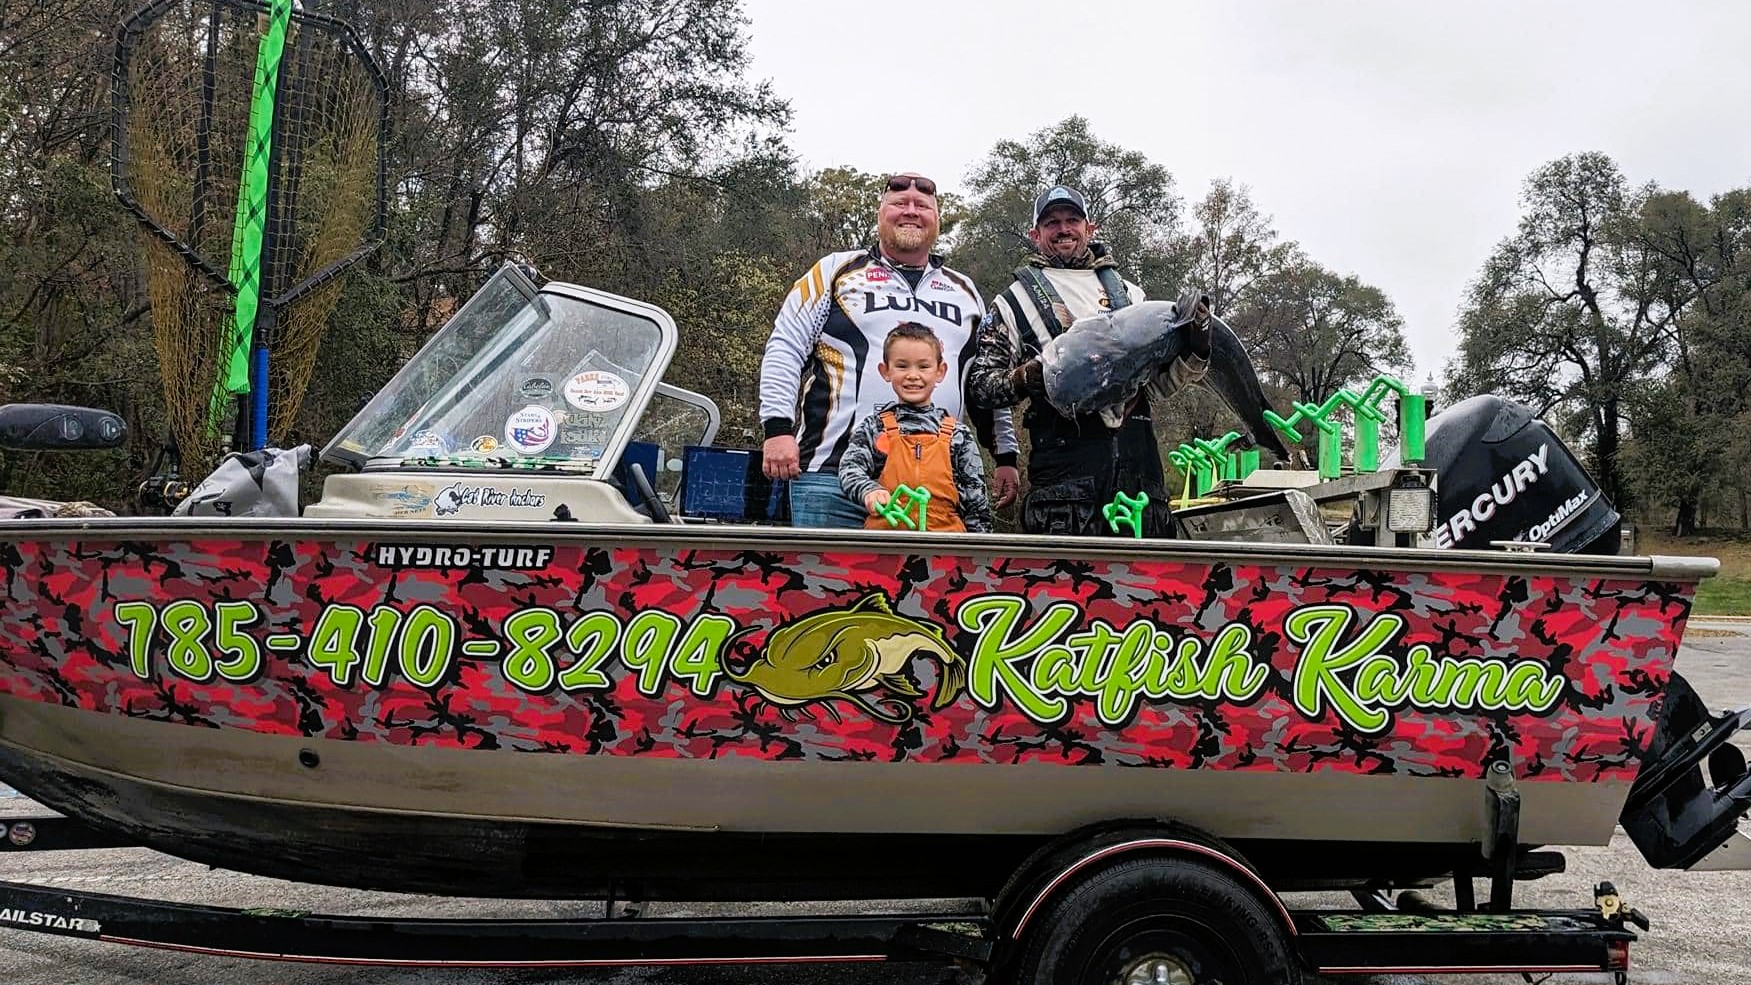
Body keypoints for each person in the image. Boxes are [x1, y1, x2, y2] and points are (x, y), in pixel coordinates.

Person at [759, 172, 1020, 528]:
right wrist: (777, 429)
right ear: (881, 213)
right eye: (899, 203)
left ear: (937, 220)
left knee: (928, 585)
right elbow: (786, 347)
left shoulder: (966, 290)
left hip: (933, 487)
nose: (911, 211)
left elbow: (983, 378)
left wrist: (1005, 454)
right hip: (831, 477)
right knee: (829, 584)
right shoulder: (835, 270)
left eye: (922, 206)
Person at [968, 184, 1210, 538]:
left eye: (1072, 220)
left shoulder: (1132, 296)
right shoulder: (1011, 303)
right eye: (1051, 223)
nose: (1063, 229)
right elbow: (980, 387)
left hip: (1140, 481)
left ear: (1089, 228)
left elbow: (1156, 386)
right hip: (1063, 488)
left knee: (1150, 589)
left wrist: (1197, 347)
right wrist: (1028, 377)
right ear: (1036, 234)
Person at [838, 323, 994, 534]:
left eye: (923, 366)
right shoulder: (874, 427)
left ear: (940, 372)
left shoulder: (958, 434)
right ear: (885, 371)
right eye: (902, 366)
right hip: (885, 545)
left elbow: (976, 499)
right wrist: (869, 491)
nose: (913, 375)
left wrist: (979, 552)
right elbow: (850, 468)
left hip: (946, 546)